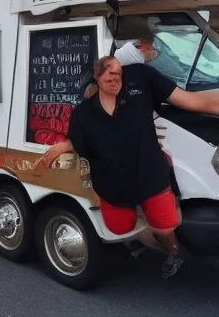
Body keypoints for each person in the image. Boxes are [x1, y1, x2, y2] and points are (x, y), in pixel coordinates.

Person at [38, 55, 219, 278]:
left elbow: (192, 101)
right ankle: (140, 230)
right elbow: (78, 141)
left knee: (166, 227)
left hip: (151, 178)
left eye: (118, 74)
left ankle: (173, 252)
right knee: (120, 228)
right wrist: (60, 147)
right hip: (113, 189)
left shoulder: (140, 80)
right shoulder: (82, 114)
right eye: (108, 75)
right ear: (96, 78)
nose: (115, 79)